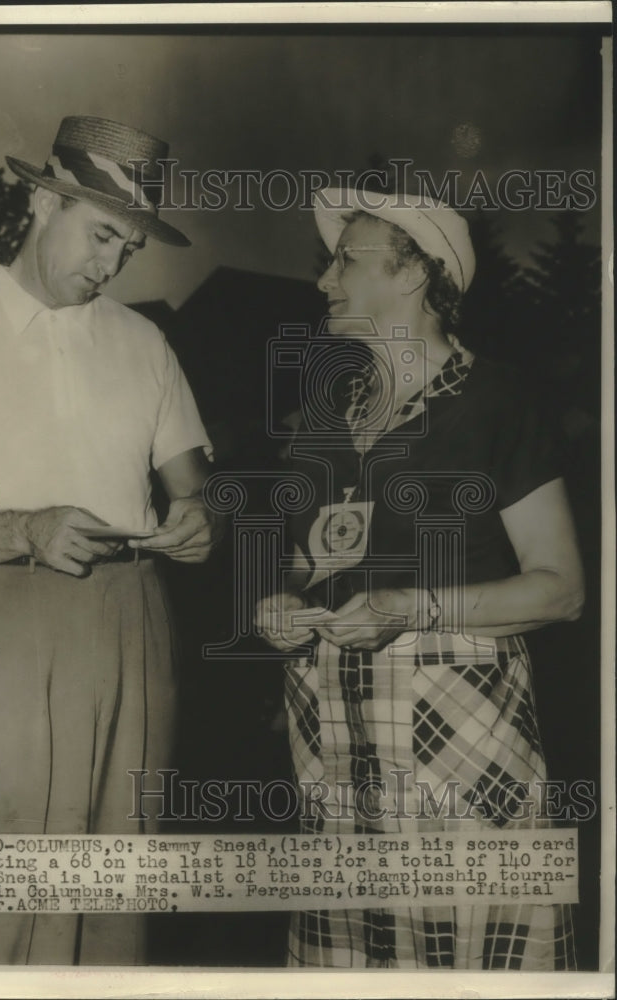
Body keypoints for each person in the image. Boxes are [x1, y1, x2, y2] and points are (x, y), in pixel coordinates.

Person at [0, 116, 219, 965]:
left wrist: (201, 519)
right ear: (40, 198)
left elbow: (197, 486)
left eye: (129, 250)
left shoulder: (147, 344)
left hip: (136, 622)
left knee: (114, 898)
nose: (109, 266)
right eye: (102, 235)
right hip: (2, 626)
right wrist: (22, 529)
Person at [255, 187, 584, 969]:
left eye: (346, 260)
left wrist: (413, 606)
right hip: (333, 733)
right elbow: (306, 559)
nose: (325, 280)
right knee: (353, 956)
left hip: (459, 731)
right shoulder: (328, 411)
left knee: (466, 951)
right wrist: (283, 599)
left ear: (413, 274)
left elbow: (561, 589)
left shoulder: (496, 399)